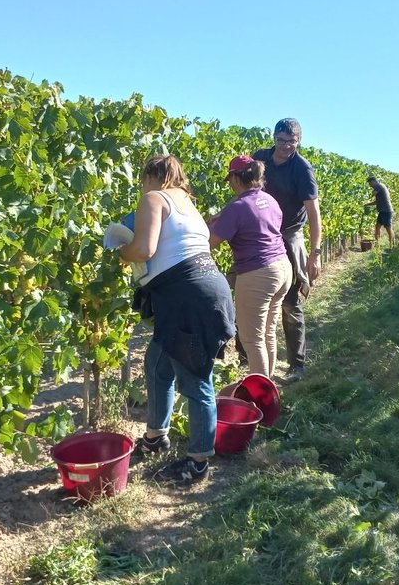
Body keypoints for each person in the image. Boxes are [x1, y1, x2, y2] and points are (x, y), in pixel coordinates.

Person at [117, 154, 235, 483]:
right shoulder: (187, 204)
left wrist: (120, 253)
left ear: (150, 177)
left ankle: (198, 462)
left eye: (143, 181)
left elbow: (143, 249)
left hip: (187, 300)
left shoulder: (154, 198)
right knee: (157, 363)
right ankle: (156, 437)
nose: (143, 187)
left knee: (196, 381)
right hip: (205, 291)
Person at [209, 156, 292, 378]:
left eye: (230, 180)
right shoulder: (270, 200)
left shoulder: (236, 208)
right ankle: (269, 388)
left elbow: (210, 243)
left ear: (237, 178)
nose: (230, 185)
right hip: (283, 268)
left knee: (252, 340)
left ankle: (261, 401)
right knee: (267, 333)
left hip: (258, 274)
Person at [252, 118, 321, 382]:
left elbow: (314, 214)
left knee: (290, 302)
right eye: (280, 140)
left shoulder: (302, 169)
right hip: (261, 232)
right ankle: (252, 357)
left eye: (290, 142)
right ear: (274, 138)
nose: (284, 147)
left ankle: (297, 364)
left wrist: (314, 253)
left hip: (289, 234)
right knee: (252, 293)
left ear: (298, 141)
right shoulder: (260, 159)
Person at [367, 175, 394, 249]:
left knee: (388, 228)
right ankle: (377, 244)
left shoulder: (378, 186)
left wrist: (368, 198)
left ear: (374, 181)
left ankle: (392, 245)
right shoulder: (380, 186)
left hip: (386, 211)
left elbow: (373, 194)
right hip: (382, 211)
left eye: (370, 183)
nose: (370, 186)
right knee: (377, 227)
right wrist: (366, 204)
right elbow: (377, 202)